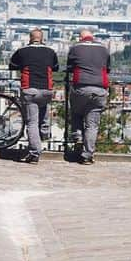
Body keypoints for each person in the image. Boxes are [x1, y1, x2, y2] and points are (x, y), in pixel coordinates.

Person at [9, 29, 59, 163]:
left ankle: (35, 152)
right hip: (46, 89)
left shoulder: (22, 51)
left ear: (30, 38)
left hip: (30, 89)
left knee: (32, 122)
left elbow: (12, 65)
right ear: (42, 39)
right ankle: (44, 134)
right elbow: (55, 67)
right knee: (42, 116)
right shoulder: (50, 51)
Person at [65, 29, 110, 164]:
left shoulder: (75, 48)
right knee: (92, 125)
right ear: (93, 37)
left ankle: (77, 136)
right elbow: (107, 69)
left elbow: (70, 67)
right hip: (99, 89)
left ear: (81, 38)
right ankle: (87, 155)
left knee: (76, 112)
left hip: (81, 86)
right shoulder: (104, 49)